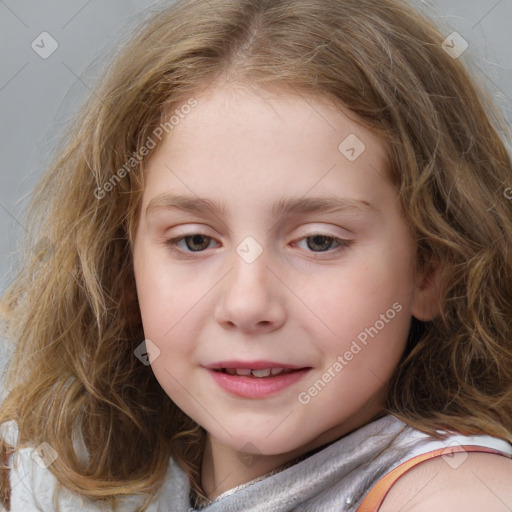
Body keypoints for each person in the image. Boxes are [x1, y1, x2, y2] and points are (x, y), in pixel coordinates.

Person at [1, 0, 512, 510]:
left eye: (319, 241)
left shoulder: (457, 493)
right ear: (122, 265)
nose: (247, 305)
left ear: (430, 266)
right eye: (195, 241)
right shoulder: (68, 468)